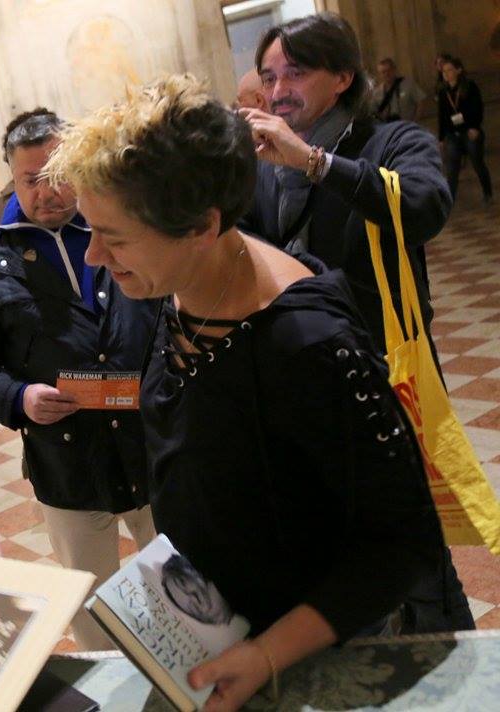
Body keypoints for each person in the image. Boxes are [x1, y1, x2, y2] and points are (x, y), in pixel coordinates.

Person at [45, 72, 471, 712]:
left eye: (116, 237)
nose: (94, 258)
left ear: (202, 225)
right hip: (220, 633)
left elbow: (401, 542)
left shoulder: (307, 343)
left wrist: (268, 654)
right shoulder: (178, 287)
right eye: (90, 230)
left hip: (307, 664)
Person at [0, 109, 158, 650]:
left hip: (152, 445)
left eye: (58, 174)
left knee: (180, 589)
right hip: (67, 459)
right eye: (30, 179)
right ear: (12, 180)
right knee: (88, 604)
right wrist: (18, 397)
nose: (46, 191)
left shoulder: (129, 231)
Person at [237, 13, 451, 360]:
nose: (278, 92)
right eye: (269, 78)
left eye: (296, 73)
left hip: (382, 358)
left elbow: (424, 211)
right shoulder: (262, 164)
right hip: (298, 356)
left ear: (342, 77)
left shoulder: (395, 140)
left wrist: (315, 163)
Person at [438, 56, 493, 203]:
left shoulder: (469, 87)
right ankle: (449, 199)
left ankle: (487, 193)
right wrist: (441, 138)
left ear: (458, 70)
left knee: (477, 163)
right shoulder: (443, 92)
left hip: (469, 131)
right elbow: (442, 115)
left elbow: (477, 108)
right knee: (452, 167)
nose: (446, 74)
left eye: (449, 70)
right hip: (453, 133)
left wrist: (475, 127)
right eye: (444, 71)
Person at [371, 58, 425, 122]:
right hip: (389, 126)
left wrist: (415, 122)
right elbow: (373, 112)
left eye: (389, 70)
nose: (387, 74)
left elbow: (421, 103)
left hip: (408, 124)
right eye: (383, 72)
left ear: (394, 69)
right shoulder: (377, 93)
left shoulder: (408, 84)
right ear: (379, 74)